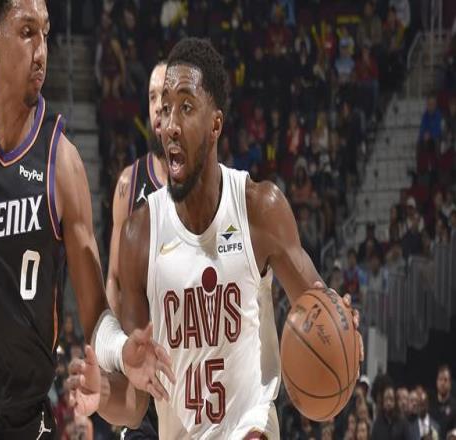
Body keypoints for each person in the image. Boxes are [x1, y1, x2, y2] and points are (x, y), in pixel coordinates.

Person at [68, 37, 362, 438]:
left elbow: (317, 307)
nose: (170, 124)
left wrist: (344, 328)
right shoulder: (140, 234)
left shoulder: (259, 209)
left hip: (250, 427)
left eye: (186, 107)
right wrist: (101, 392)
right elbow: (135, 405)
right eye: (166, 108)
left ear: (216, 125)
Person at [0, 1, 172, 437]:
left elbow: (95, 314)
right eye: (27, 32)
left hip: (25, 415)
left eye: (46, 33)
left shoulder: (63, 163)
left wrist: (120, 351)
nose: (41, 51)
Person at [104, 61, 168, 439]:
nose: (158, 105)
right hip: (142, 382)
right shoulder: (129, 184)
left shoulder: (208, 187)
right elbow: (113, 279)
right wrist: (113, 360)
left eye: (166, 96)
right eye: (152, 96)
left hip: (190, 373)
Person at [430, 365, 456, 439]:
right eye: (440, 379)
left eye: (445, 380)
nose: (442, 383)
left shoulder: (454, 406)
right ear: (436, 382)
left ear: (450, 383)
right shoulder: (430, 404)